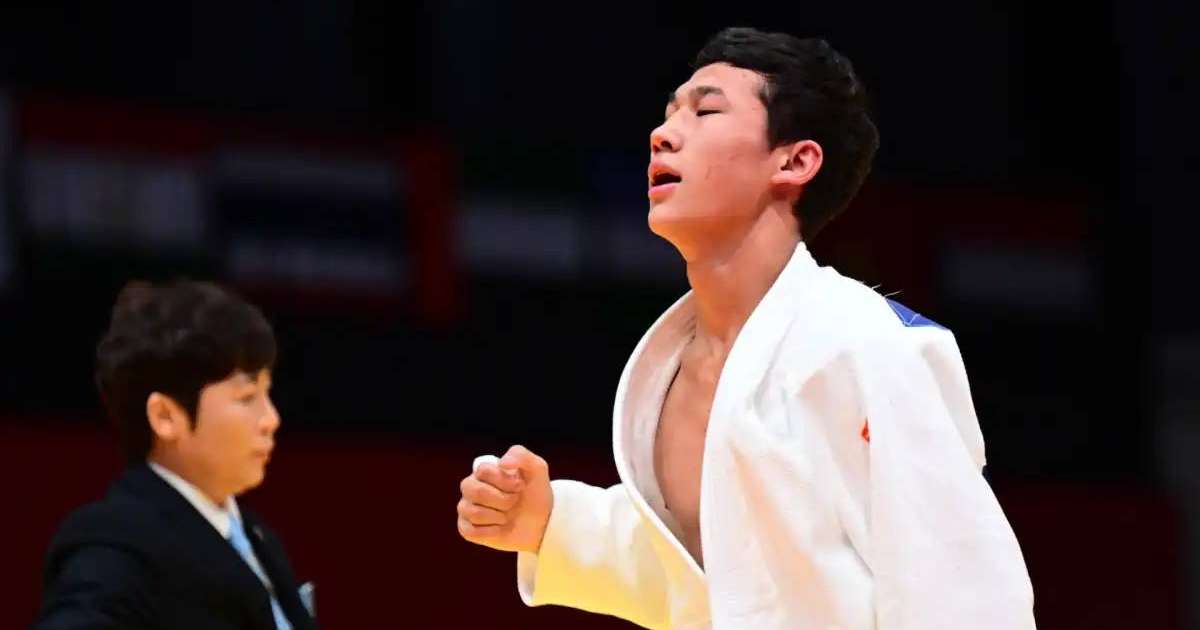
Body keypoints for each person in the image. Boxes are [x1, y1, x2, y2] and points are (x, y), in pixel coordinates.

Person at [456, 26, 1035, 630]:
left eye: (705, 111)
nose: (663, 134)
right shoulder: (675, 364)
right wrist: (550, 522)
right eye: (668, 114)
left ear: (794, 160)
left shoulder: (864, 346)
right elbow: (724, 582)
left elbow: (965, 596)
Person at [34, 280, 317, 630]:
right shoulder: (116, 542)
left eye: (267, 393)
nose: (271, 419)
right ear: (165, 416)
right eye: (246, 398)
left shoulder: (258, 538)